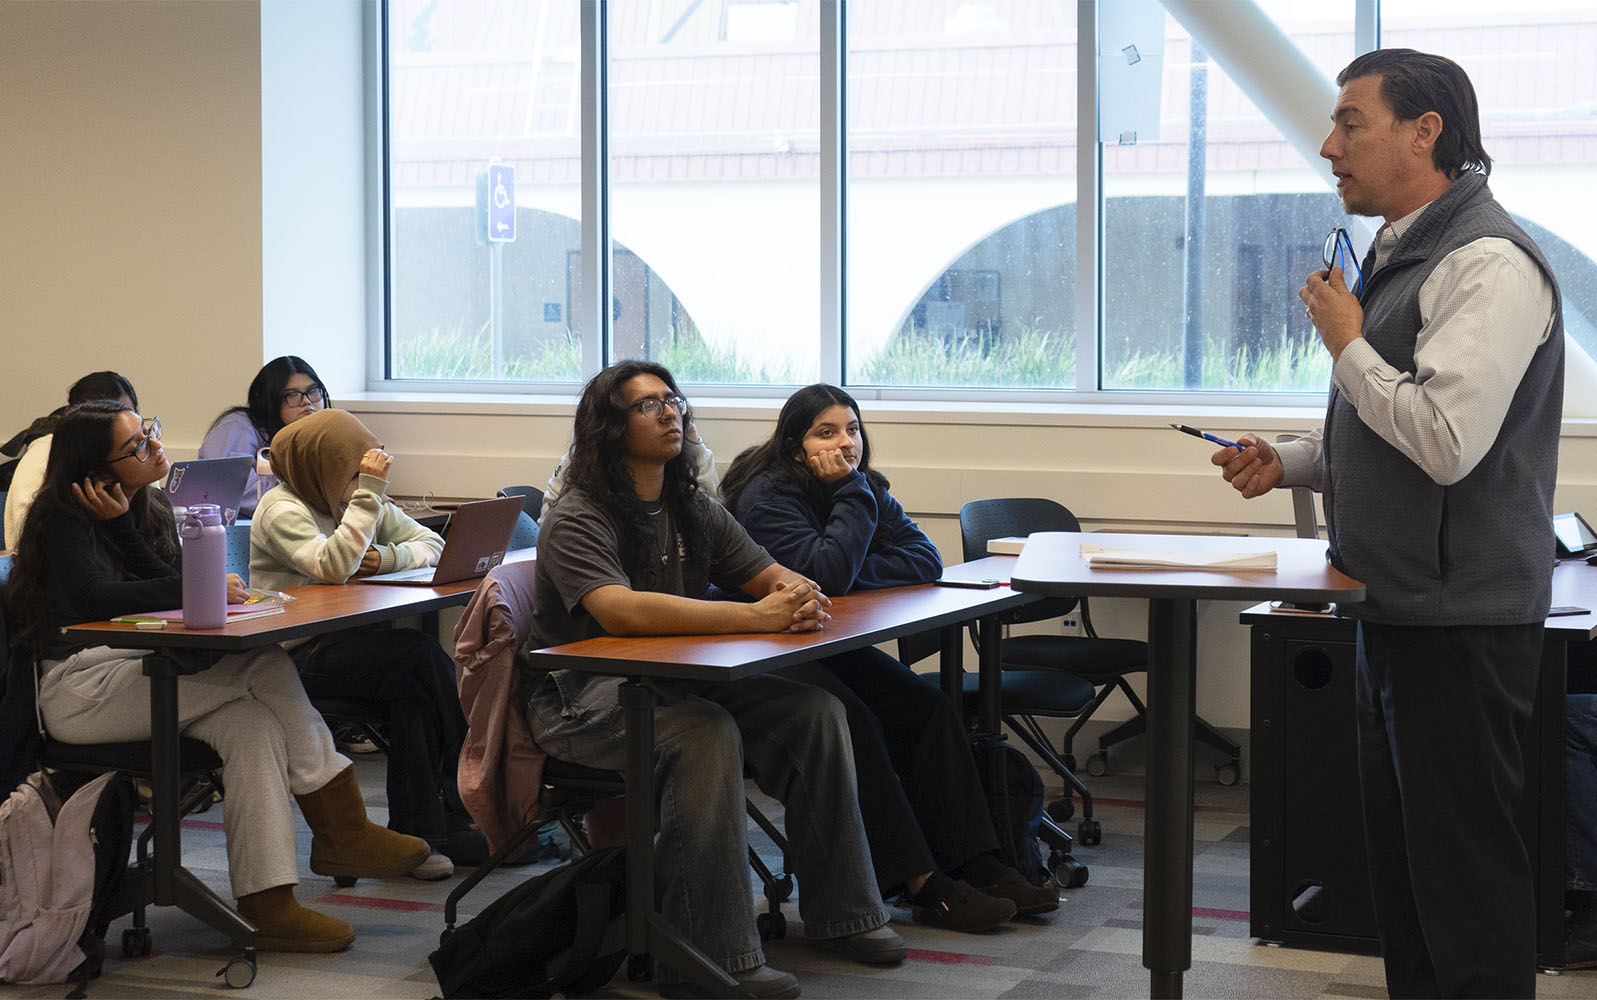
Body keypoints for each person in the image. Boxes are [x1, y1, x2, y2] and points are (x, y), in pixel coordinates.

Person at [1212, 49, 1563, 997]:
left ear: (1424, 131)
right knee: (1406, 883)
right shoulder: (1403, 249)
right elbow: (1390, 432)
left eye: (1349, 124)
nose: (1328, 147)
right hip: (1395, 608)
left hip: (1459, 621)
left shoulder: (1486, 262)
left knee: (1464, 885)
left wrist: (1347, 343)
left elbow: (1444, 440)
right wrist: (1287, 460)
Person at [527, 361, 906, 999]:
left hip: (679, 680)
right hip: (581, 695)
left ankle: (845, 915)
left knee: (815, 712)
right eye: (648, 406)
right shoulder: (578, 513)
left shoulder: (691, 505)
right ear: (611, 428)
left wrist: (799, 594)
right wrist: (758, 615)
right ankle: (710, 952)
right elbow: (619, 610)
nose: (670, 412)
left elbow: (766, 573)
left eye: (673, 400)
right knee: (704, 732)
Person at [3, 400, 430, 952]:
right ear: (96, 471)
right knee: (265, 661)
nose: (155, 446)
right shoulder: (63, 517)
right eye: (135, 446)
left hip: (135, 671)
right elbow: (95, 598)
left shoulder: (143, 506)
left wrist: (134, 530)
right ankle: (341, 827)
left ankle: (268, 901)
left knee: (250, 724)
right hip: (78, 692)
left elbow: (167, 581)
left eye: (148, 430)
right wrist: (182, 583)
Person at [720, 383, 1057, 928]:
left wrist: (852, 573)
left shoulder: (862, 484)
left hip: (827, 635)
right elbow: (822, 575)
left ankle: (979, 863)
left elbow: (925, 559)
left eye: (852, 430)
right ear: (793, 445)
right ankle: (921, 884)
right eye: (826, 432)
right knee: (856, 724)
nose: (845, 443)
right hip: (767, 648)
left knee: (927, 706)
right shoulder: (769, 496)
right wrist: (849, 513)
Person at [249, 407, 482, 880]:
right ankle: (466, 799)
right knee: (419, 659)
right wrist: (368, 497)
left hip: (354, 642)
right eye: (351, 473)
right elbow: (334, 565)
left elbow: (433, 545)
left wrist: (385, 556)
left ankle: (422, 836)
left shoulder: (348, 498)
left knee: (413, 693)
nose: (360, 484)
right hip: (297, 653)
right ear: (322, 467)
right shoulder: (281, 509)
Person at [4, 370, 139, 547]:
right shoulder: (44, 457)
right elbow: (29, 549)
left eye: (130, 415)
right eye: (110, 421)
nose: (126, 425)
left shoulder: (138, 451)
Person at [199, 355, 329, 519]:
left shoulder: (320, 435)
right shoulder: (239, 425)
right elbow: (232, 488)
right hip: (239, 528)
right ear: (270, 399)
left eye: (313, 391)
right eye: (293, 395)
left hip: (296, 522)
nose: (307, 401)